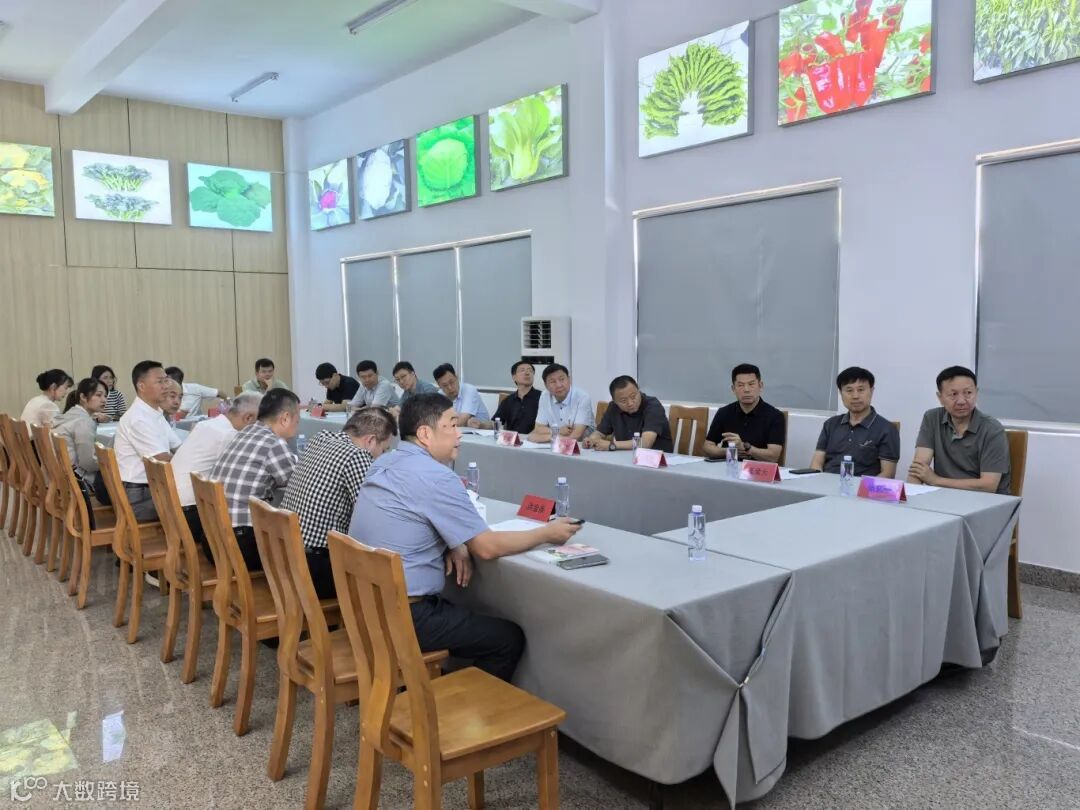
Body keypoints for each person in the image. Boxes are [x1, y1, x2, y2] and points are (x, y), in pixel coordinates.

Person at [348, 392, 582, 682]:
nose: (459, 434)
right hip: (404, 615)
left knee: (463, 616)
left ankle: (440, 688)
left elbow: (410, 516)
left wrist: (454, 541)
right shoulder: (436, 476)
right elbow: (486, 547)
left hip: (363, 606)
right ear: (425, 434)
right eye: (451, 425)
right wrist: (547, 532)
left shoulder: (384, 462)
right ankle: (460, 708)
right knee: (507, 639)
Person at [281, 406, 397, 598]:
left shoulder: (320, 438)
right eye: (383, 450)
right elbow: (374, 512)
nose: (381, 457)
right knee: (385, 582)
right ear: (370, 441)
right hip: (314, 566)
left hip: (285, 556)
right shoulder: (357, 455)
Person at [209, 388, 300, 572]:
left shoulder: (246, 431)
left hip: (213, 540)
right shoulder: (274, 443)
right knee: (303, 554)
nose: (298, 424)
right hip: (240, 545)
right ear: (285, 418)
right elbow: (296, 484)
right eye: (297, 419)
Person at [171, 392, 262, 553]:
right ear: (248, 418)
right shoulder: (230, 436)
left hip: (173, 507)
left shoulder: (207, 424)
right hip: (191, 515)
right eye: (260, 423)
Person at [908, 366, 1011, 495]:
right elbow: (918, 470)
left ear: (976, 393)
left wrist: (936, 480)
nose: (961, 401)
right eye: (953, 394)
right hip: (945, 498)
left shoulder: (992, 429)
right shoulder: (932, 418)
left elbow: (989, 485)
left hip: (986, 501)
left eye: (968, 393)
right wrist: (911, 497)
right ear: (940, 397)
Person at [112, 361, 182, 521]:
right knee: (201, 506)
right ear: (141, 386)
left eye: (166, 380)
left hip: (151, 488)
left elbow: (178, 447)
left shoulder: (154, 412)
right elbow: (162, 460)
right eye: (160, 382)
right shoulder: (138, 418)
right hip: (138, 498)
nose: (166, 386)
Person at [810, 367, 900, 477]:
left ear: (871, 391)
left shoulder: (887, 429)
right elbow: (816, 463)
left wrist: (862, 487)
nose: (855, 396)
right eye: (849, 390)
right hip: (826, 483)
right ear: (841, 393)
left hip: (862, 486)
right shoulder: (830, 424)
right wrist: (818, 482)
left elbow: (888, 474)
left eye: (861, 390)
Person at [703, 363, 785, 463]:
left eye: (751, 384)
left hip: (758, 469)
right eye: (740, 385)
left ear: (760, 386)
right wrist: (732, 451)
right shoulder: (724, 412)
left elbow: (773, 456)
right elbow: (707, 447)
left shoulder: (775, 416)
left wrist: (746, 447)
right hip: (729, 467)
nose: (746, 390)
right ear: (733, 389)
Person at [585, 375, 673, 453]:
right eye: (623, 401)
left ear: (639, 391)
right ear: (615, 401)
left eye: (633, 396)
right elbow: (600, 433)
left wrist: (612, 445)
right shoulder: (613, 407)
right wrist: (591, 440)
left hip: (656, 460)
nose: (630, 403)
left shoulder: (653, 406)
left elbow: (645, 443)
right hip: (626, 457)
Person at [52, 378, 108, 486]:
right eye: (98, 395)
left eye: (105, 396)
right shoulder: (83, 422)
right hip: (76, 481)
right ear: (83, 397)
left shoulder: (70, 414)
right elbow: (88, 463)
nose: (104, 400)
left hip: (58, 476)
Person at [467, 361, 541, 434]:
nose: (527, 373)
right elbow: (496, 422)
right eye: (522, 370)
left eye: (530, 371)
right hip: (511, 440)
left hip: (534, 439)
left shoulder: (542, 398)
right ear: (514, 377)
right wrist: (480, 424)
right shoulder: (508, 400)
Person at [529, 363, 594, 442]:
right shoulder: (545, 395)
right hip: (555, 442)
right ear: (546, 385)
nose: (559, 385)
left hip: (581, 444)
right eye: (552, 382)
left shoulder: (582, 397)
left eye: (562, 379)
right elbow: (538, 428)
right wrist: (558, 431)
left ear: (569, 380)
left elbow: (576, 435)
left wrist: (547, 437)